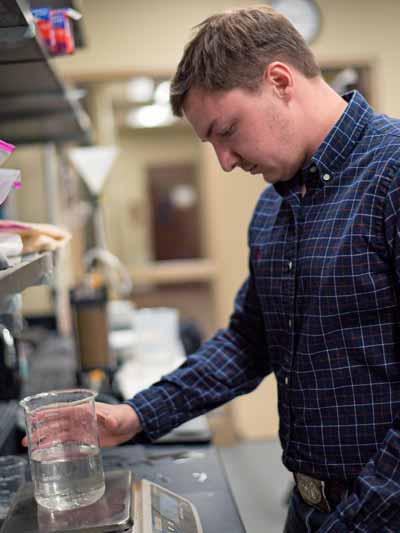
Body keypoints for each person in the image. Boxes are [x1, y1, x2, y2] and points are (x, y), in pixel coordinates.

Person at [81, 6, 400, 532]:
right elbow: (250, 341)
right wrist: (138, 415)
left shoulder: (390, 174)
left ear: (279, 81)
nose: (225, 162)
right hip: (307, 507)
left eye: (227, 131)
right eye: (212, 143)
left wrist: (359, 520)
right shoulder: (274, 206)